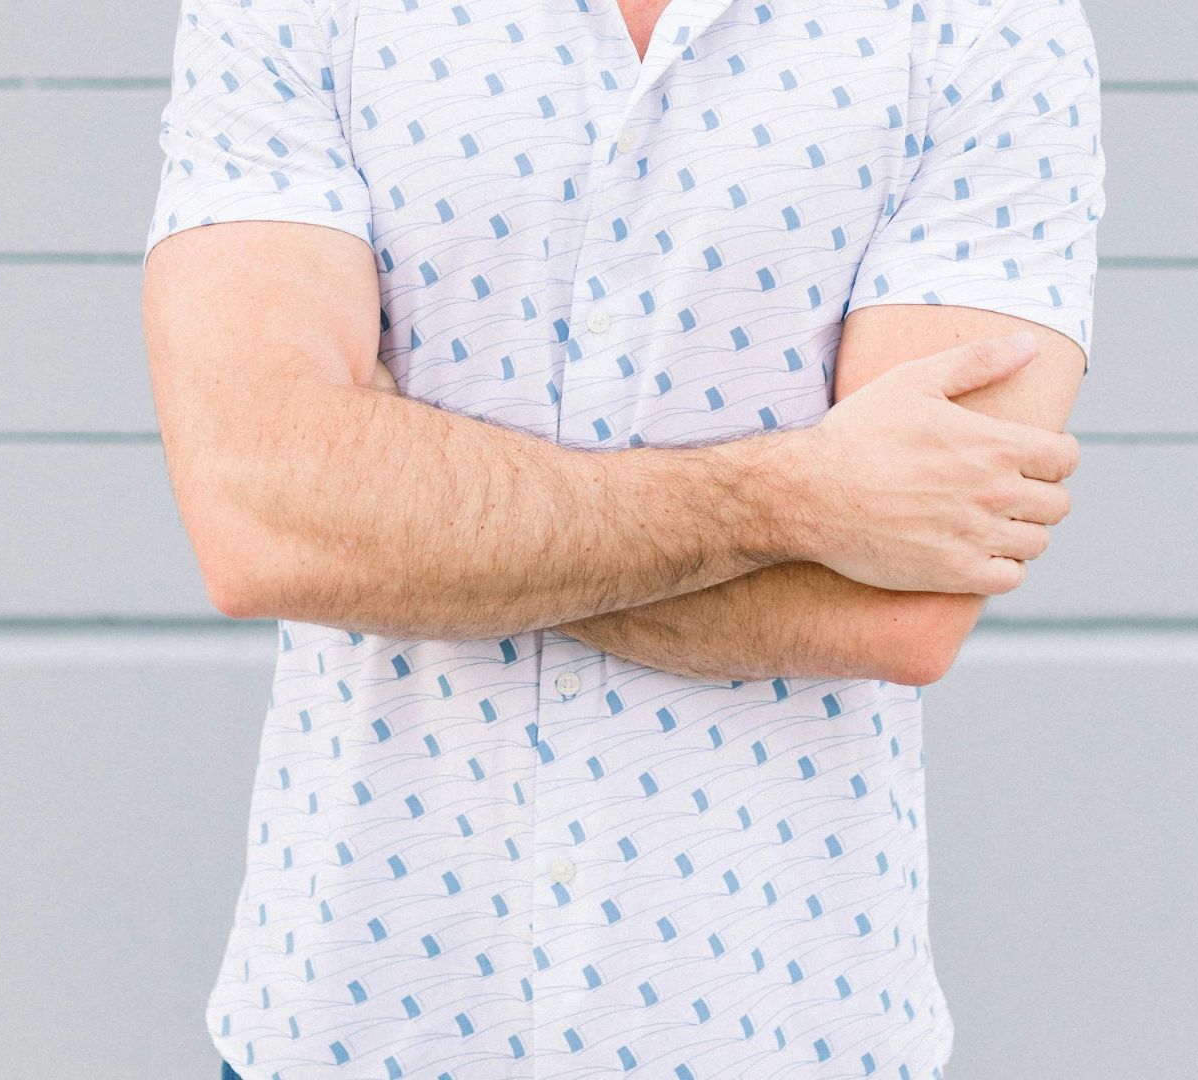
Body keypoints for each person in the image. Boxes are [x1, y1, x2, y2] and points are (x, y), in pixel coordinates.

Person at [140, 0, 1103, 1075]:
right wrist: (793, 498)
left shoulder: (978, 26)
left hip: (780, 1024)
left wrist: (397, 509)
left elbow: (894, 607)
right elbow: (263, 517)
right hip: (356, 1018)